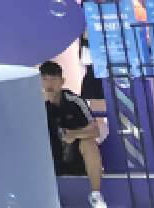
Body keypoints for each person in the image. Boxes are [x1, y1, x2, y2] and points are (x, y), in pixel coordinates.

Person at [40, 60, 108, 208]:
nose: (49, 84)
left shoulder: (75, 101)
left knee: (89, 143)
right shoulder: (36, 105)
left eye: (53, 79)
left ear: (62, 81)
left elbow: (95, 131)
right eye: (45, 79)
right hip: (51, 158)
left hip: (76, 157)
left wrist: (74, 134)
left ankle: (95, 195)